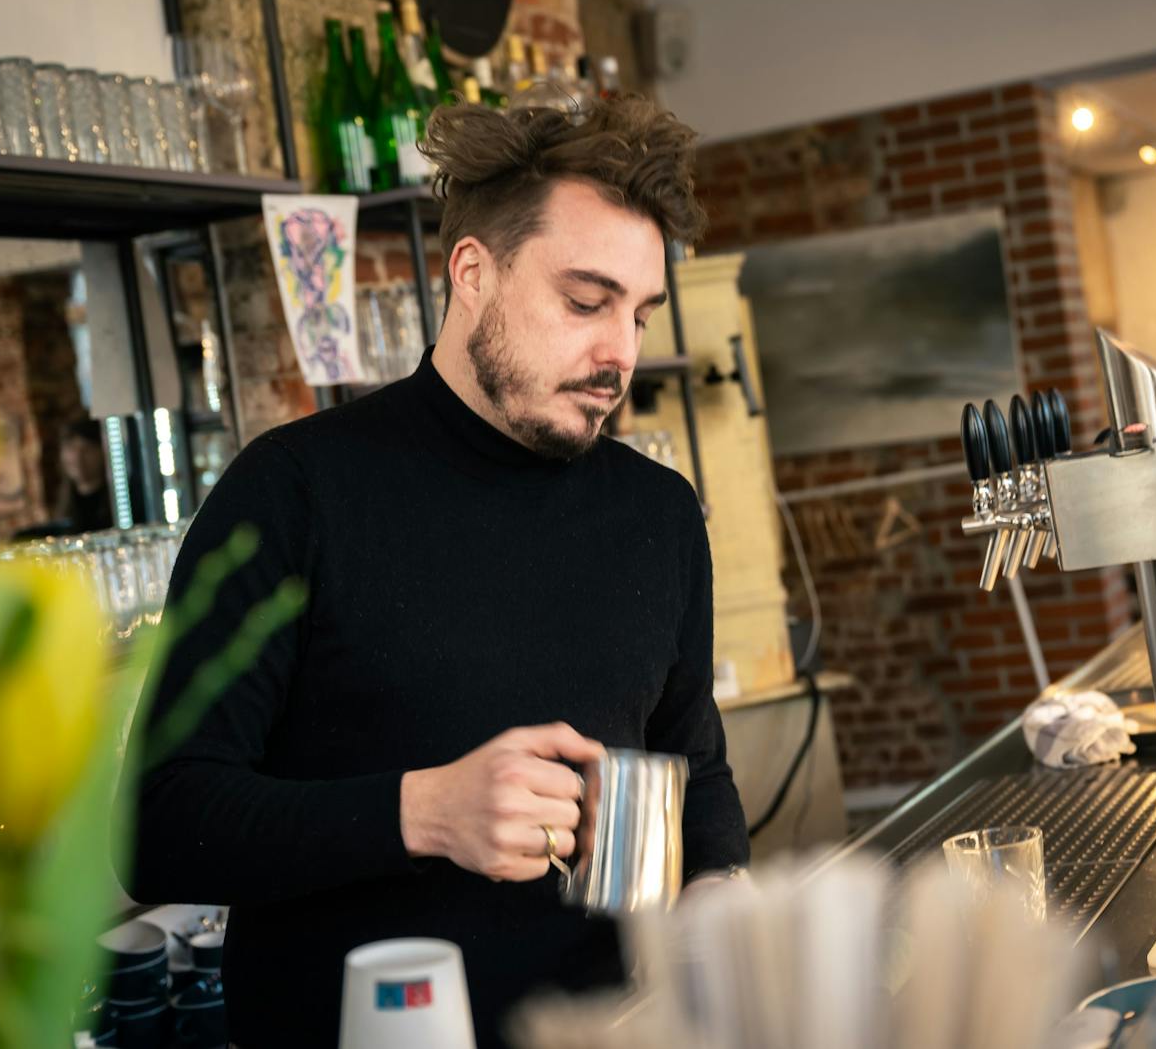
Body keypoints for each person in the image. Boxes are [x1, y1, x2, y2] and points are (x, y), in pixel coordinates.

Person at [118, 96, 749, 1048]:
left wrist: (713, 896)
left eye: (640, 311)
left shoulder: (658, 516)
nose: (621, 351)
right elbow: (158, 824)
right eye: (586, 301)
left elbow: (690, 767)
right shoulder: (294, 492)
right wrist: (424, 811)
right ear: (472, 274)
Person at [52, 418, 113, 533]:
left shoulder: (119, 504)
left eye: (87, 449)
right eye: (71, 448)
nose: (77, 457)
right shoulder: (64, 504)